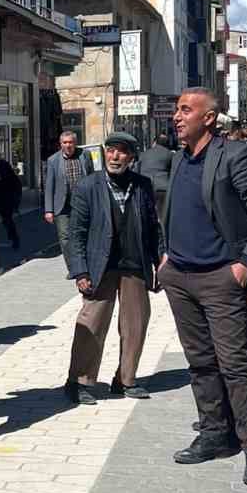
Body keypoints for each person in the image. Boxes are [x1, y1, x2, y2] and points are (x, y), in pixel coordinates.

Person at [159, 87, 247, 487]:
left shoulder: (235, 155)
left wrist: (245, 265)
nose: (177, 116)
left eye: (186, 110)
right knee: (200, 362)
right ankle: (214, 433)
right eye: (177, 110)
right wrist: (165, 256)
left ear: (209, 118)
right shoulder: (180, 159)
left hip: (220, 278)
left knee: (235, 365)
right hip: (180, 277)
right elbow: (173, 211)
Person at [64, 131, 162, 405]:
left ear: (131, 156)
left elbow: (154, 227)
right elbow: (76, 233)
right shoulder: (88, 186)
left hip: (134, 265)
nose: (115, 157)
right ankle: (79, 381)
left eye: (121, 152)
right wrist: (80, 271)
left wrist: (159, 261)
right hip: (99, 267)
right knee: (92, 324)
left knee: (135, 324)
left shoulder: (143, 185)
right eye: (111, 151)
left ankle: (126, 379)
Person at [44, 130, 94, 269]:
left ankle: (85, 264)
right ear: (60, 144)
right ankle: (73, 267)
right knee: (65, 238)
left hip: (83, 204)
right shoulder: (53, 160)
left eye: (70, 142)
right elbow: (49, 186)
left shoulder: (85, 155)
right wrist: (49, 210)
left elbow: (92, 178)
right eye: (65, 143)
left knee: (84, 235)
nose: (68, 145)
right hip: (62, 206)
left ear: (75, 143)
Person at [0, 155, 23, 250]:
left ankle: (14, 239)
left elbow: (11, 181)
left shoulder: (3, 165)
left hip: (4, 198)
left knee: (7, 220)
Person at [138, 133, 174, 216]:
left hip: (145, 187)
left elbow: (137, 170)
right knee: (162, 214)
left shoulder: (144, 154)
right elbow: (173, 172)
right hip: (162, 187)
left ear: (155, 142)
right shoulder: (170, 154)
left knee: (146, 213)